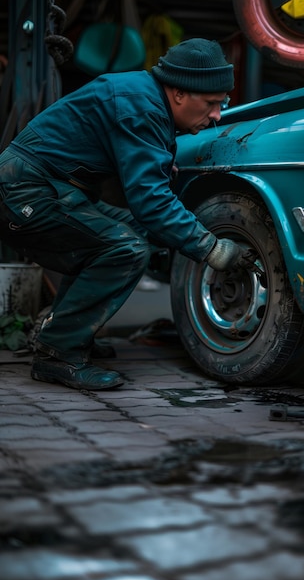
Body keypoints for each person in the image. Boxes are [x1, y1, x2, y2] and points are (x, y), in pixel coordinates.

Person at [0, 38, 246, 391]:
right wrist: (212, 249)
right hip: (23, 190)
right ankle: (58, 353)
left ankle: (64, 329)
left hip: (52, 188)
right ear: (178, 93)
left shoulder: (146, 99)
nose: (217, 116)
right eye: (210, 103)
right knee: (125, 248)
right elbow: (151, 203)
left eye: (222, 104)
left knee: (130, 234)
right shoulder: (140, 107)